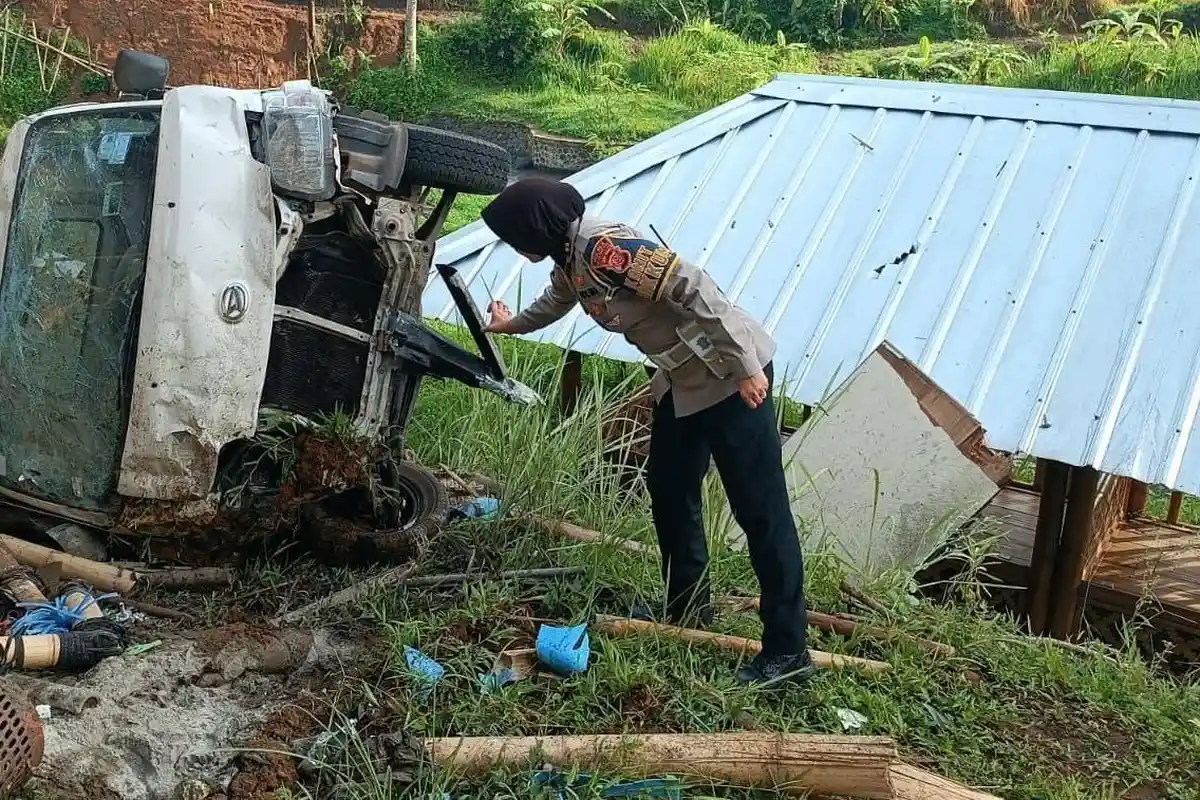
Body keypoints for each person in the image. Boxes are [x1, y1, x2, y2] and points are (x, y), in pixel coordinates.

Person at [479, 178, 811, 688]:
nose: (515, 247)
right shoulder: (571, 257)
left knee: (761, 513)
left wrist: (747, 366)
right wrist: (509, 326)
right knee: (669, 493)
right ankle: (686, 606)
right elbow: (555, 301)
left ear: (536, 227)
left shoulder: (607, 248)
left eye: (514, 236)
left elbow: (695, 286)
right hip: (683, 383)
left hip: (729, 378)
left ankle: (788, 651)